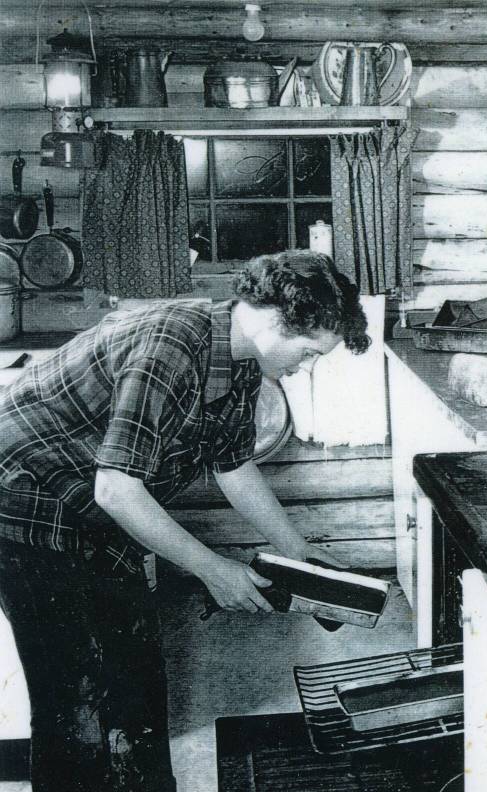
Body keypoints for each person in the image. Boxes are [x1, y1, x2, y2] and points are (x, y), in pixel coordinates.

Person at [0, 249, 370, 792]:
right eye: (308, 350)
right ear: (273, 320)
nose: (306, 365)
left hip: (89, 508)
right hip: (20, 502)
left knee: (136, 677)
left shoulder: (244, 364)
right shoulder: (173, 346)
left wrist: (298, 550)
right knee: (73, 695)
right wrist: (213, 569)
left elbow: (234, 466)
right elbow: (118, 489)